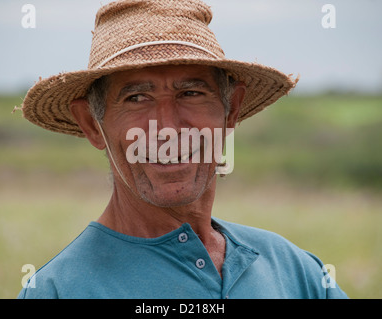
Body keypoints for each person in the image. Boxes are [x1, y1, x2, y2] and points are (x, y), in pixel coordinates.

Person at [18, 0, 347, 299]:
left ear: (231, 110)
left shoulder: (296, 272)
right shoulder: (58, 290)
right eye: (136, 98)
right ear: (92, 124)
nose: (167, 129)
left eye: (191, 93)